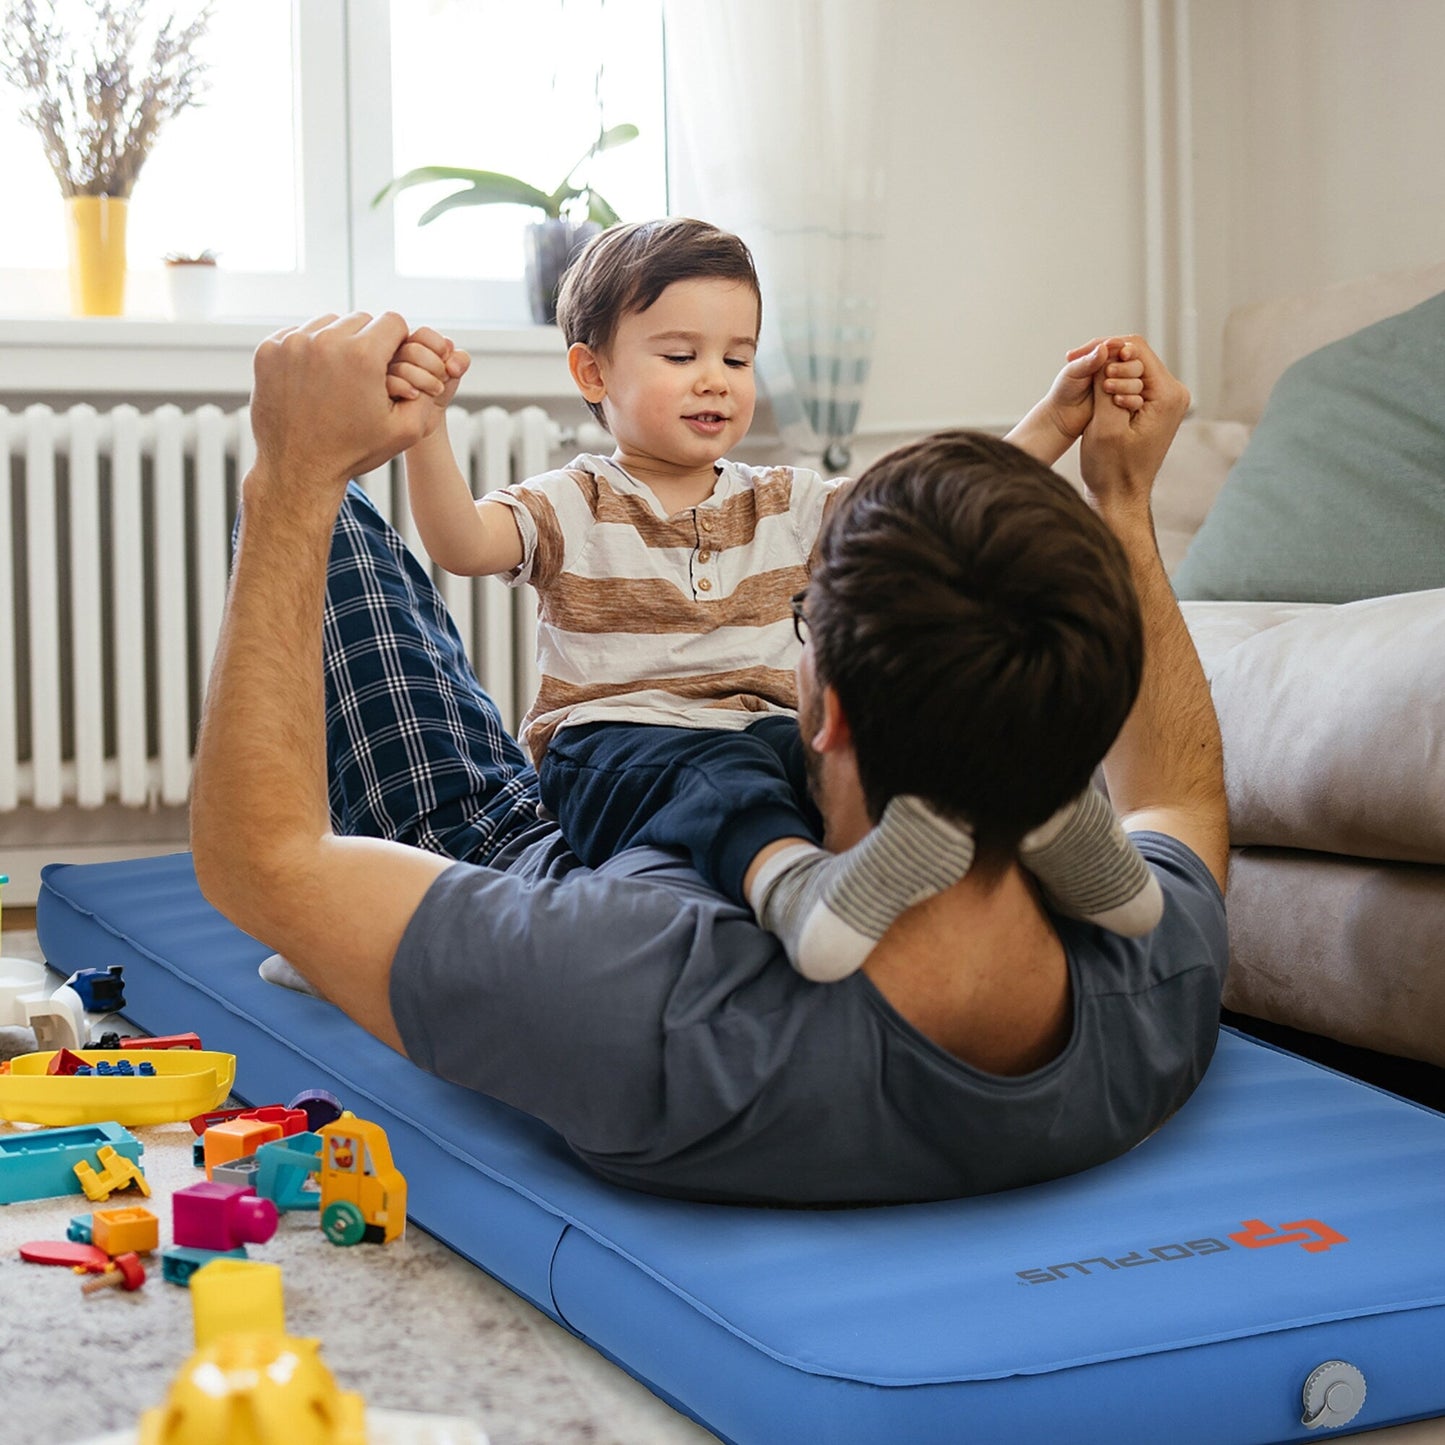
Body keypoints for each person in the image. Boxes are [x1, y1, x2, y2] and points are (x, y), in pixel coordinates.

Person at [190, 312, 1228, 1206]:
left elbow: (262, 861)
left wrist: (290, 475)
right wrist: (1124, 506)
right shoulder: (1150, 969)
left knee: (336, 534)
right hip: (686, 787)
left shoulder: (630, 986)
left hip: (522, 844)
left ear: (837, 719)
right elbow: (1177, 793)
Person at [385, 218, 1162, 984]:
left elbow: (928, 498)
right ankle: (795, 892)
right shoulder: (574, 499)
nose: (715, 378)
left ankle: (1049, 817)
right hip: (616, 746)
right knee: (719, 778)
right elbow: (461, 544)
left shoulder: (782, 500)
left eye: (738, 357)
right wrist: (426, 428)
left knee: (882, 736)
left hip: (766, 728)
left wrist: (1057, 419)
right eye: (681, 355)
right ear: (593, 373)